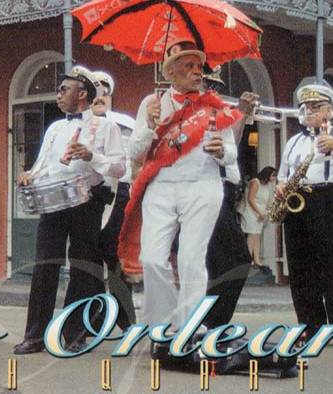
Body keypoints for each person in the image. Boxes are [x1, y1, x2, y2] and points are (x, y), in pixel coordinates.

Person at [118, 40, 244, 355]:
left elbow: (232, 154)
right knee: (152, 258)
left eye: (198, 66)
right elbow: (134, 152)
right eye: (187, 66)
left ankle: (190, 327)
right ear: (170, 71)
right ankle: (162, 327)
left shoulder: (214, 105)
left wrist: (221, 152)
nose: (196, 72)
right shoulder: (152, 102)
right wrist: (149, 125)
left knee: (191, 260)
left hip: (203, 184)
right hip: (161, 185)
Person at [13, 66, 125, 354]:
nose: (59, 94)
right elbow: (43, 165)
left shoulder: (106, 127)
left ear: (83, 94)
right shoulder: (55, 127)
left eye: (65, 89)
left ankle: (75, 334)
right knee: (44, 266)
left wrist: (91, 155)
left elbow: (119, 167)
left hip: (87, 201)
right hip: (54, 202)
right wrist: (29, 175)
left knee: (83, 269)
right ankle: (35, 335)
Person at [276, 81, 333, 342]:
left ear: (329, 110)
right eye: (305, 108)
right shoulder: (294, 141)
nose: (309, 112)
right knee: (301, 267)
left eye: (316, 107)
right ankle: (310, 326)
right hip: (300, 201)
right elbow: (283, 175)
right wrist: (282, 187)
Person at [202, 67, 258, 330]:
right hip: (208, 189)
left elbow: (231, 148)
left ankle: (212, 323)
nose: (214, 93)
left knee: (220, 263)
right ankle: (212, 322)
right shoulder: (197, 115)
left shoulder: (220, 114)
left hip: (226, 192)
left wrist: (240, 113)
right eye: (208, 86)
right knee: (236, 259)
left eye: (217, 88)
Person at [91, 70, 137, 331]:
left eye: (105, 92)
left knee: (116, 256)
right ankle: (93, 320)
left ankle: (126, 320)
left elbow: (134, 158)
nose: (101, 96)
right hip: (86, 194)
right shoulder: (77, 124)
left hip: (119, 193)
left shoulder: (124, 123)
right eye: (96, 92)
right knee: (88, 258)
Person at [238, 166, 277, 267]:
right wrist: (259, 212)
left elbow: (269, 200)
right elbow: (250, 199)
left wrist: (267, 212)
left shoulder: (268, 185)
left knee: (257, 235)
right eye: (273, 176)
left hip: (261, 211)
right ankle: (248, 258)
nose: (274, 179)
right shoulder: (255, 182)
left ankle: (257, 259)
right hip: (251, 210)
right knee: (252, 234)